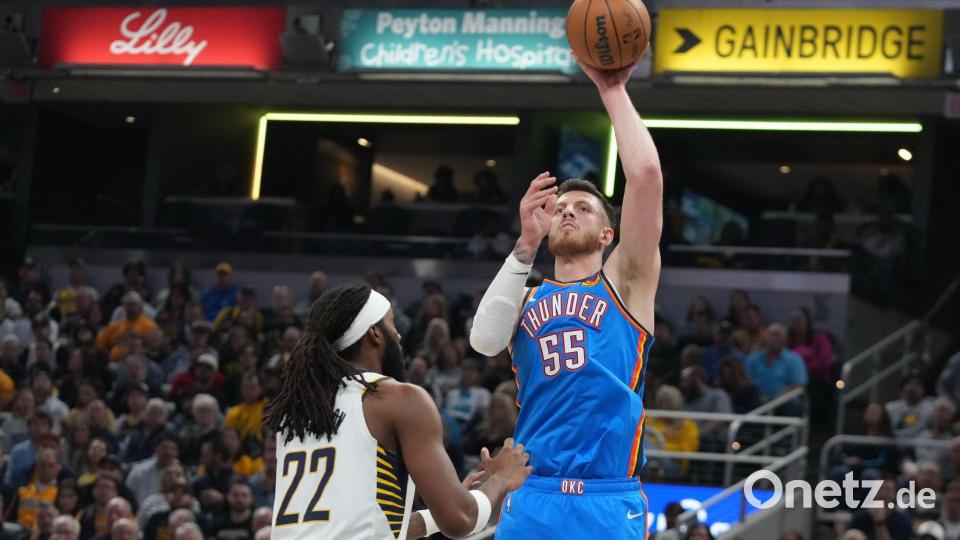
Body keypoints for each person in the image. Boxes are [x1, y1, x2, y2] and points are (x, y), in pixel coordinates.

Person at [469, 55, 662, 538]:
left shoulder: (626, 281)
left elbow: (646, 177)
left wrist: (612, 89)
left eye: (583, 208)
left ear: (607, 234)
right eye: (560, 209)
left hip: (607, 496)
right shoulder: (526, 295)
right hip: (533, 494)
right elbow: (484, 342)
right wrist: (524, 245)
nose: (568, 213)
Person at [262, 283, 531, 539]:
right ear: (374, 333)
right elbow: (461, 520)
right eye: (391, 323)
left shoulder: (295, 412)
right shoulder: (397, 399)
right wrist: (501, 479)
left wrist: (444, 503)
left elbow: (359, 526)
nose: (399, 335)